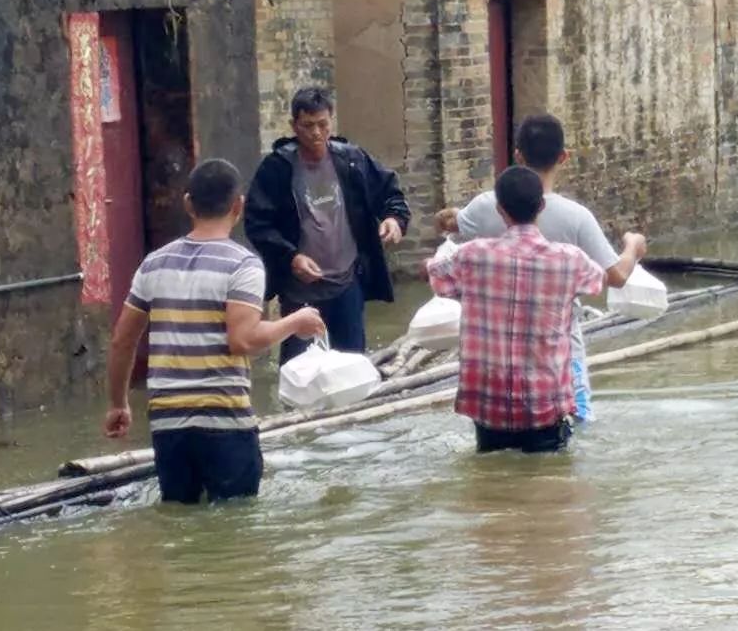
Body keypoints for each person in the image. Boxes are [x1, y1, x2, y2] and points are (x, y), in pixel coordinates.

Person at [103, 159, 325, 504]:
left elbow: (122, 340)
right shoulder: (243, 264)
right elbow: (244, 340)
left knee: (180, 525)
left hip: (168, 425)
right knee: (236, 529)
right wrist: (295, 322)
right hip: (224, 422)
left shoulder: (154, 263)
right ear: (239, 205)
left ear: (188, 204)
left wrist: (118, 404)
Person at [435, 114, 647, 423]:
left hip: (496, 358)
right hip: (556, 350)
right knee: (572, 427)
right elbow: (615, 276)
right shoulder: (575, 219)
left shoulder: (484, 208)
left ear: (518, 156)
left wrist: (451, 215)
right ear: (563, 157)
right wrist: (633, 246)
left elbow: (449, 226)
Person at [427, 166, 605, 453]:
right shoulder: (570, 260)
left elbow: (436, 278)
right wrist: (633, 248)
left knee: (492, 488)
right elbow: (599, 281)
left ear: (500, 210)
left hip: (489, 410)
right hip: (545, 410)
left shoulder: (472, 256)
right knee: (549, 487)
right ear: (542, 206)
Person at [244, 86, 410, 364]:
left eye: (323, 124)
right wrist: (291, 257)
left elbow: (390, 192)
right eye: (308, 126)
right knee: (300, 368)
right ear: (294, 126)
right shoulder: (277, 168)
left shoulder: (352, 160)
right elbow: (258, 223)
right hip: (300, 290)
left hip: (347, 281)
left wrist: (394, 219)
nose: (317, 133)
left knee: (351, 364)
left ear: (332, 121)